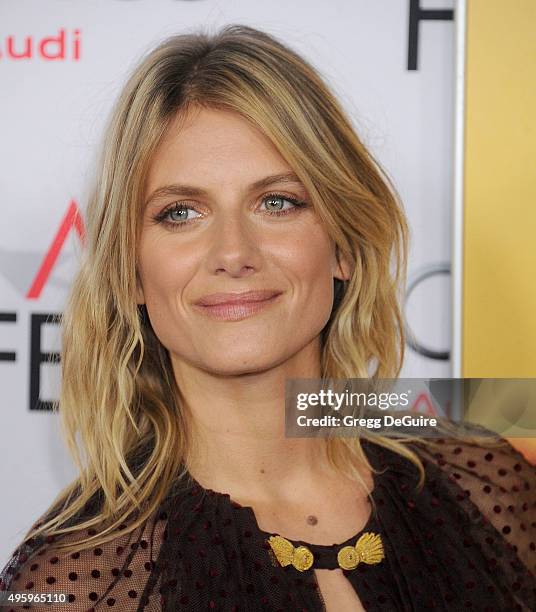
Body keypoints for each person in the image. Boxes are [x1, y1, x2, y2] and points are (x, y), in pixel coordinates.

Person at [1, 25, 534, 612]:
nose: (233, 253)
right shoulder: (76, 580)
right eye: (180, 213)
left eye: (277, 202)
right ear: (129, 271)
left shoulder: (487, 488)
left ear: (344, 246)